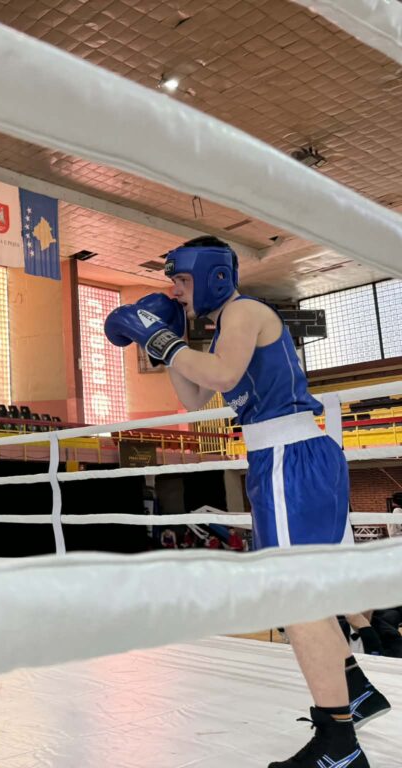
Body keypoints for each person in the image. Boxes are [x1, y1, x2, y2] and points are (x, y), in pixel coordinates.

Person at [104, 236, 390, 767]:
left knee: (295, 599)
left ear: (212, 276)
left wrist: (160, 338)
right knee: (298, 596)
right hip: (278, 458)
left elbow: (222, 376)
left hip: (289, 456)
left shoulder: (244, 312)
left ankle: (339, 746)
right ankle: (354, 692)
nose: (176, 291)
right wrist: (165, 341)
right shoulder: (221, 331)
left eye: (181, 280)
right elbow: (195, 397)